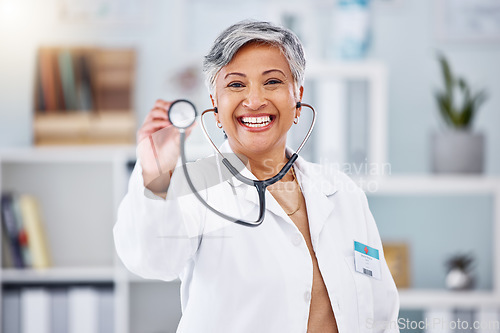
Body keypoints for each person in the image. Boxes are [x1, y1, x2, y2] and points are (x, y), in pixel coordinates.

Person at [114, 20, 400, 333]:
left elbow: (383, 313)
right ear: (215, 103)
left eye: (273, 82)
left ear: (298, 99)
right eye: (236, 85)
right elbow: (153, 260)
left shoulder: (342, 192)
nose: (254, 100)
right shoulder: (194, 184)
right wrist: (156, 174)